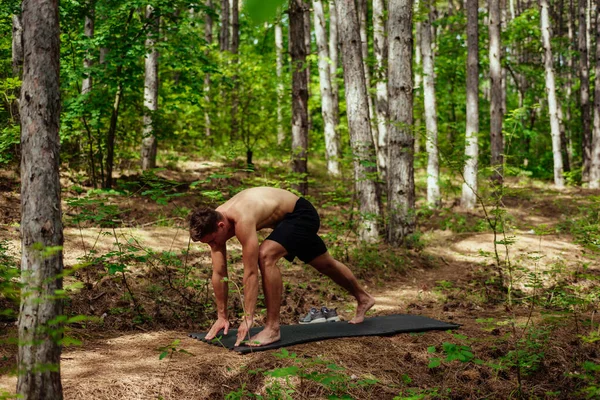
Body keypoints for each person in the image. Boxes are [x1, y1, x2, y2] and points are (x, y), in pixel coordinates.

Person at [189, 187, 375, 347]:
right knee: (325, 264)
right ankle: (363, 298)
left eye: (213, 241)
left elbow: (251, 272)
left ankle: (272, 328)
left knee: (266, 255)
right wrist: (222, 316)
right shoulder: (214, 222)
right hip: (284, 223)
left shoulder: (242, 219)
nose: (213, 245)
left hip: (302, 214)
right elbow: (219, 272)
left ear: (221, 226)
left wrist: (248, 317)